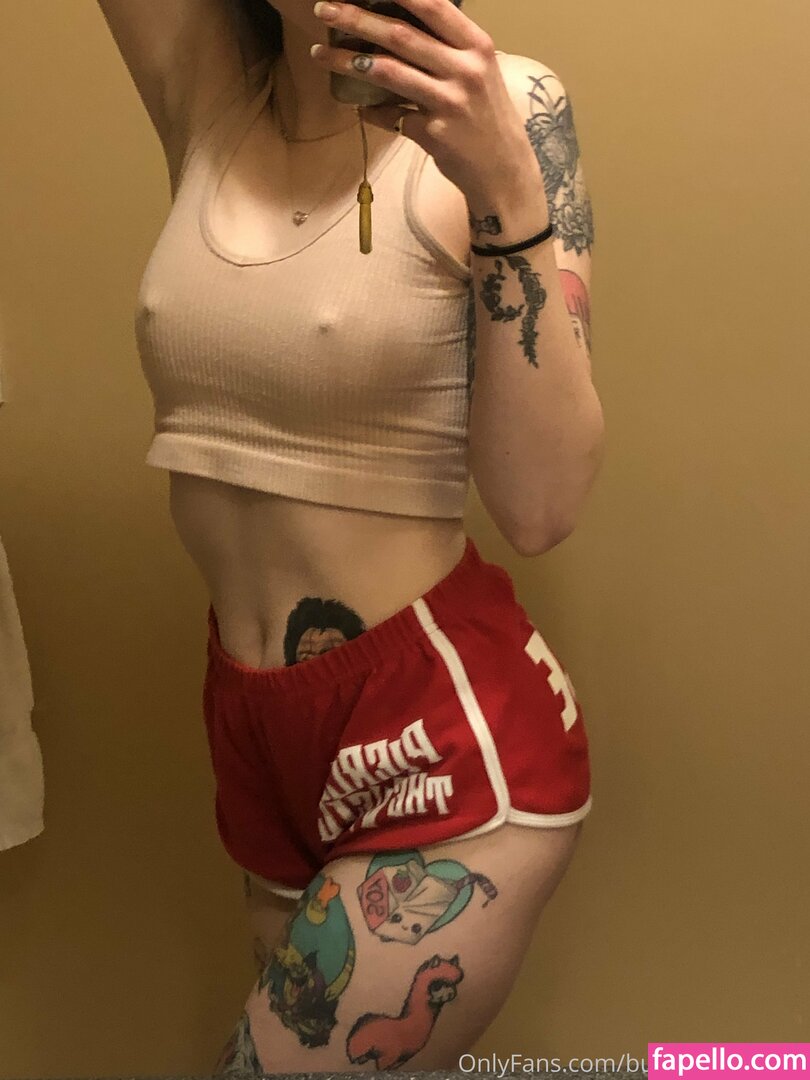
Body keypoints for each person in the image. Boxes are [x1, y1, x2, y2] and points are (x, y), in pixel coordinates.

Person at [96, 0, 602, 1071]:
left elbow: (542, 506)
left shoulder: (507, 105)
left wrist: (507, 188)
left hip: (435, 734)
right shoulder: (213, 96)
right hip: (257, 726)